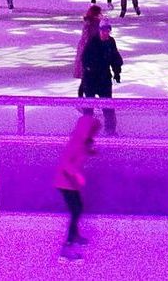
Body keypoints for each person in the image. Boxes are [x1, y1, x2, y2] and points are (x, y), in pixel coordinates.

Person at [55, 110, 98, 259]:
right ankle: (66, 247)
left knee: (78, 208)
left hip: (70, 183)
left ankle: (76, 236)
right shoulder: (75, 142)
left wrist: (91, 151)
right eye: (91, 130)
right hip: (65, 182)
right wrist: (77, 174)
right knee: (76, 211)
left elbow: (81, 154)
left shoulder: (82, 142)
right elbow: (65, 162)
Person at [77, 23, 123, 98]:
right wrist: (89, 69)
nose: (105, 33)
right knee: (89, 104)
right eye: (103, 31)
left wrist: (117, 72)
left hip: (104, 78)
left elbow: (115, 58)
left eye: (107, 31)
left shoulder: (110, 42)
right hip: (91, 78)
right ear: (99, 30)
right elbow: (85, 58)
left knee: (107, 106)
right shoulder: (92, 42)